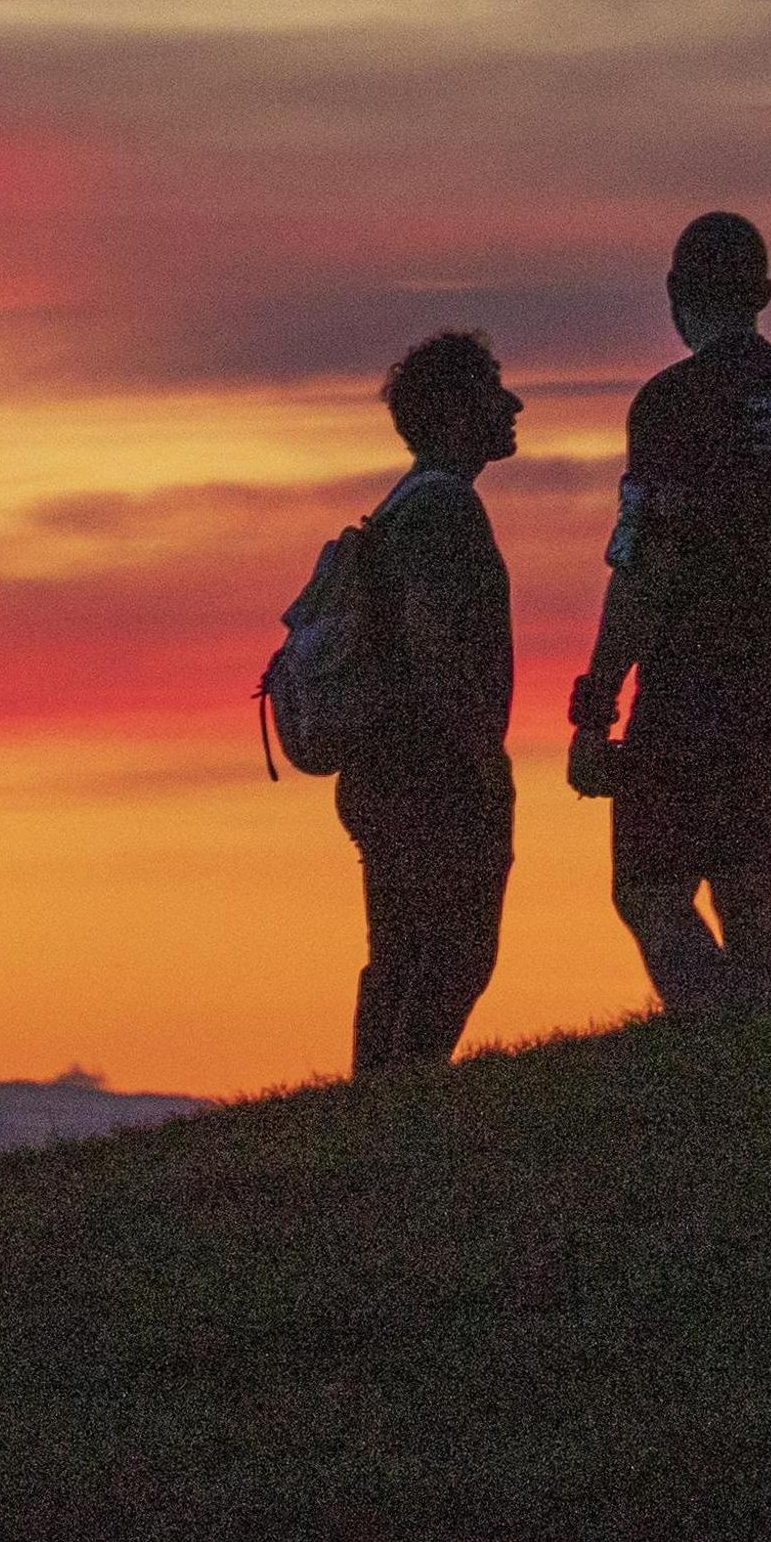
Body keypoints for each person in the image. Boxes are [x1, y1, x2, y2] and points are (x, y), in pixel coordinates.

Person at [569, 212, 771, 1009]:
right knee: (750, 885)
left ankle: (725, 1048)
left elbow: (646, 564)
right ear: (763, 293)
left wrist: (595, 708)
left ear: (675, 294)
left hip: (696, 679)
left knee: (650, 890)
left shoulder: (671, 404)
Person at [342, 330, 523, 1074]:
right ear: (455, 410)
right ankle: (398, 1097)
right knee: (451, 952)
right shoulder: (444, 508)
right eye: (492, 390)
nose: (512, 404)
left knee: (405, 952)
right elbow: (434, 637)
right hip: (430, 771)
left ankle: (377, 1107)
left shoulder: (408, 505)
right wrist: (482, 759)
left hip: (392, 769)